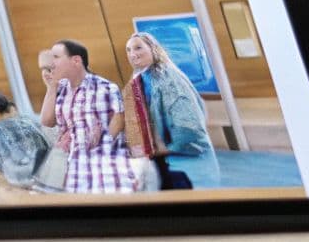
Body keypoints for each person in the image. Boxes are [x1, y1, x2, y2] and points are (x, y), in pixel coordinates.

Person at [122, 32, 220, 189]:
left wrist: (165, 149)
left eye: (138, 48)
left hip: (184, 164)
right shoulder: (139, 78)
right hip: (160, 163)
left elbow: (188, 123)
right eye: (128, 50)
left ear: (153, 49)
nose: (133, 54)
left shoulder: (167, 77)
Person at [40, 39, 136, 193]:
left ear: (76, 60)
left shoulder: (105, 87)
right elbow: (47, 121)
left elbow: (119, 119)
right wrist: (51, 88)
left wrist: (101, 146)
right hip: (72, 166)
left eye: (56, 57)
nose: (51, 63)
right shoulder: (61, 90)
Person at [0, 92, 56, 190]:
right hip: (50, 165)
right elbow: (47, 142)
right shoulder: (28, 119)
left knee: (9, 167)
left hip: (26, 173)